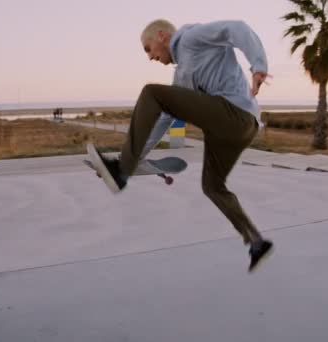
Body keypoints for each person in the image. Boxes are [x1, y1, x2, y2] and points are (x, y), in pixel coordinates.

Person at [87, 19, 273, 272]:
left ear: (162, 36)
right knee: (212, 186)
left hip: (236, 116)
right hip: (237, 130)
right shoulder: (181, 76)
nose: (150, 57)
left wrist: (258, 65)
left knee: (151, 92)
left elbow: (236, 29)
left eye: (148, 49)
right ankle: (256, 241)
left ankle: (121, 172)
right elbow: (164, 117)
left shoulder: (192, 37)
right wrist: (136, 154)